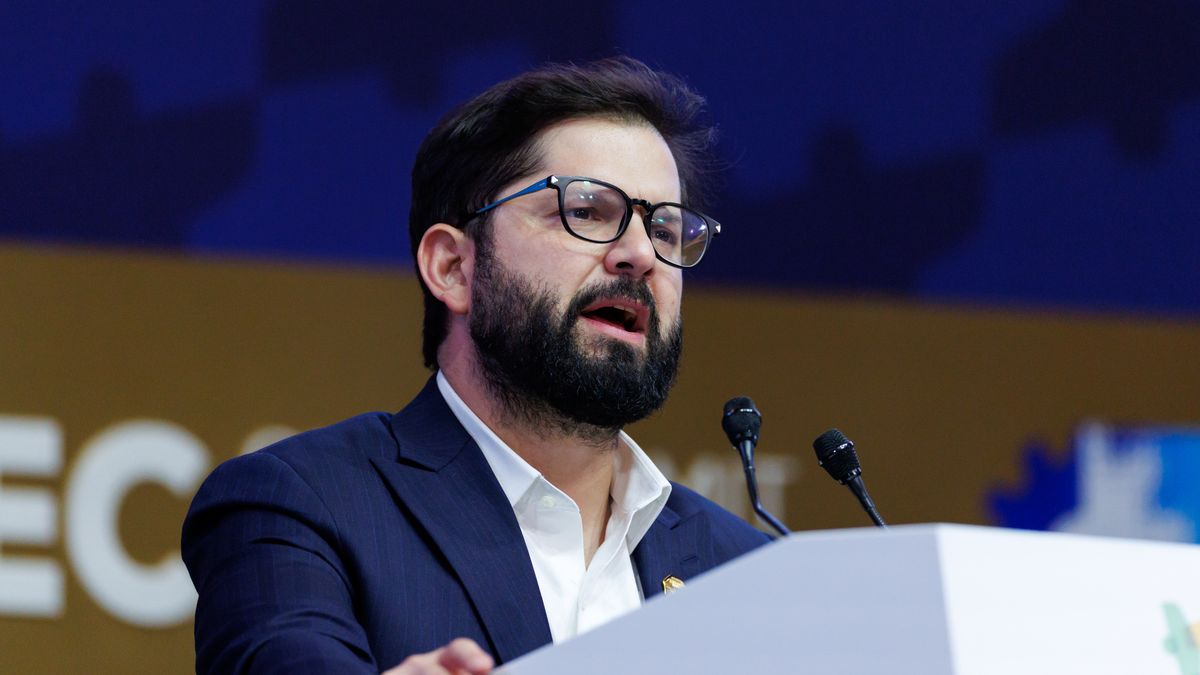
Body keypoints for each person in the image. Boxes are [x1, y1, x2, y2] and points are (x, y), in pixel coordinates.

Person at [182, 56, 770, 675]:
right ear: (453, 268)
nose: (639, 255)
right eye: (588, 211)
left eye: (667, 230)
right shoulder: (301, 507)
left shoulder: (747, 571)